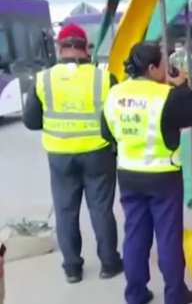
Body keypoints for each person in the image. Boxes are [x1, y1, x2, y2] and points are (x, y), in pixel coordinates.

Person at [22, 24, 122, 283]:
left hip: (60, 155)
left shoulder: (44, 79)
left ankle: (73, 269)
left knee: (65, 211)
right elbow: (118, 117)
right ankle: (109, 264)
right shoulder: (104, 77)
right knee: (101, 209)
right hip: (98, 153)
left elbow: (31, 121)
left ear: (60, 47)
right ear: (86, 47)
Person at [102, 42, 192, 304]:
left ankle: (135, 293)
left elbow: (106, 133)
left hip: (129, 174)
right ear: (153, 67)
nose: (168, 69)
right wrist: (181, 86)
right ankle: (175, 294)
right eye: (164, 65)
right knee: (167, 236)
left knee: (135, 233)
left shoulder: (115, 93)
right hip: (163, 175)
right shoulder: (165, 96)